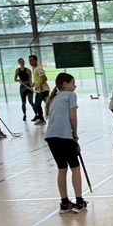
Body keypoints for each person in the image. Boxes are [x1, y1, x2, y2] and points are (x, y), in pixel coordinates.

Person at [44, 72, 86, 213]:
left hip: (51, 137)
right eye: (73, 83)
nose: (75, 86)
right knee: (75, 168)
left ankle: (65, 203)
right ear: (65, 84)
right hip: (64, 137)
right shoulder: (71, 95)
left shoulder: (54, 98)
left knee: (62, 169)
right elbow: (73, 117)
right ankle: (79, 202)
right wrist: (75, 135)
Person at [29, 54, 49, 125]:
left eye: (31, 61)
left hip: (43, 90)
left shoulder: (38, 68)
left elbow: (45, 79)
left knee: (38, 105)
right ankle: (41, 119)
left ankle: (43, 118)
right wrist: (34, 84)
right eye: (29, 61)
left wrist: (38, 86)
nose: (30, 62)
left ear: (35, 61)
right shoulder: (35, 69)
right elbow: (38, 79)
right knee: (37, 105)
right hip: (39, 90)